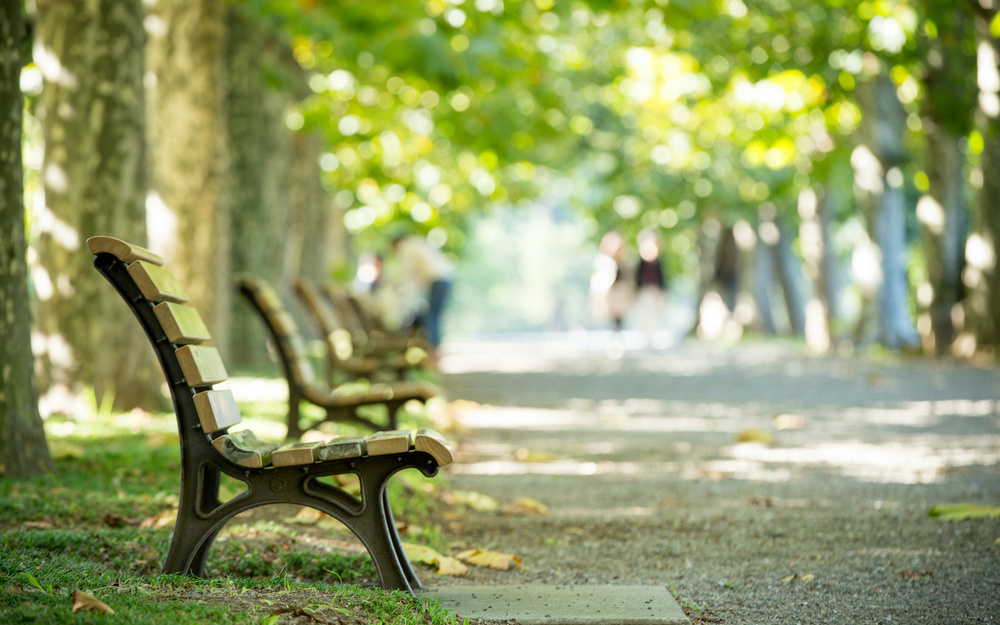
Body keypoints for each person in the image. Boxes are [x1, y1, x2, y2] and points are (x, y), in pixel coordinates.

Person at [390, 233, 455, 357]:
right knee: (434, 314)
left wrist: (404, 295)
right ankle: (435, 349)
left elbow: (411, 275)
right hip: (445, 277)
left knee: (431, 315)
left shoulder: (407, 248)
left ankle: (433, 350)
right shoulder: (417, 243)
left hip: (438, 280)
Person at [590, 231, 633, 332]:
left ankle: (617, 332)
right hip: (606, 293)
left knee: (619, 314)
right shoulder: (602, 261)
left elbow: (628, 278)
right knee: (605, 314)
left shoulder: (624, 262)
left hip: (620, 292)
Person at [634, 229, 667, 346]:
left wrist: (663, 291)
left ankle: (651, 336)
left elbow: (662, 278)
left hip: (656, 291)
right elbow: (637, 278)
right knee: (645, 314)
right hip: (645, 291)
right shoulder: (641, 262)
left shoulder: (659, 261)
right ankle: (645, 336)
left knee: (654, 314)